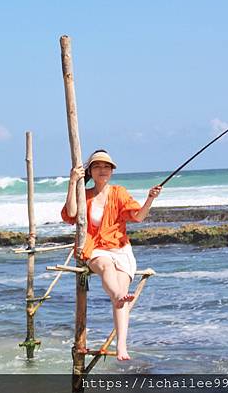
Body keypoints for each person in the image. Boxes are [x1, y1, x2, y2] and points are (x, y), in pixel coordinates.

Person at [61, 149, 162, 361]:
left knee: (123, 292)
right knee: (107, 268)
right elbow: (70, 214)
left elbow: (138, 217)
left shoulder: (119, 192)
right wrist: (72, 182)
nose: (102, 170)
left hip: (120, 247)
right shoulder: (85, 194)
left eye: (106, 166)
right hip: (95, 247)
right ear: (90, 170)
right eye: (97, 166)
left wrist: (150, 199)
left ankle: (122, 346)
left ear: (111, 171)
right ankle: (116, 296)